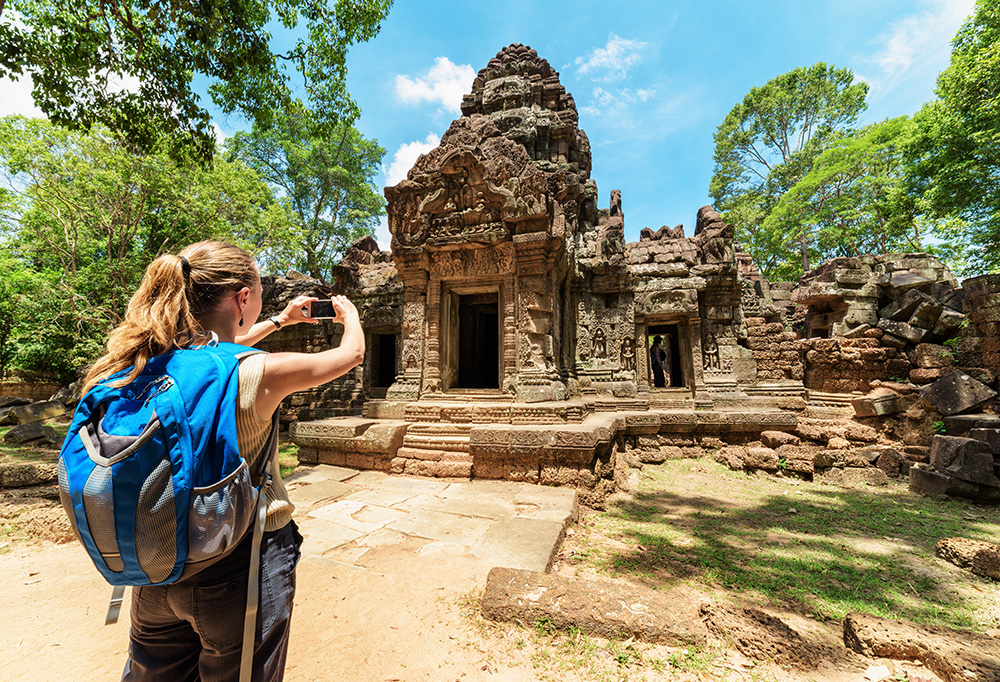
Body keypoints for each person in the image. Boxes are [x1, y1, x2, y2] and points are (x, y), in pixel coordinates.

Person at [81, 240, 365, 682]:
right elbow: (350, 356)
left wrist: (278, 320)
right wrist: (351, 319)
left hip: (156, 564)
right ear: (243, 299)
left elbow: (212, 356)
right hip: (239, 563)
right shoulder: (256, 372)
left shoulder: (135, 365)